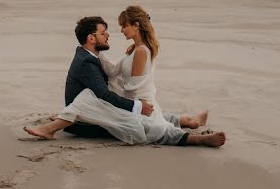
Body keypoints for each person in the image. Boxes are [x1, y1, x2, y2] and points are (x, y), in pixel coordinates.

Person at [24, 13, 225, 147]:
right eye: (103, 33)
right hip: (83, 121)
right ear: (91, 38)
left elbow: (111, 79)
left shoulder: (91, 56)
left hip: (88, 112)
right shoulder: (86, 61)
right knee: (141, 124)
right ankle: (195, 139)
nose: (109, 35)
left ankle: (186, 121)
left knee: (140, 114)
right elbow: (102, 94)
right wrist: (137, 105)